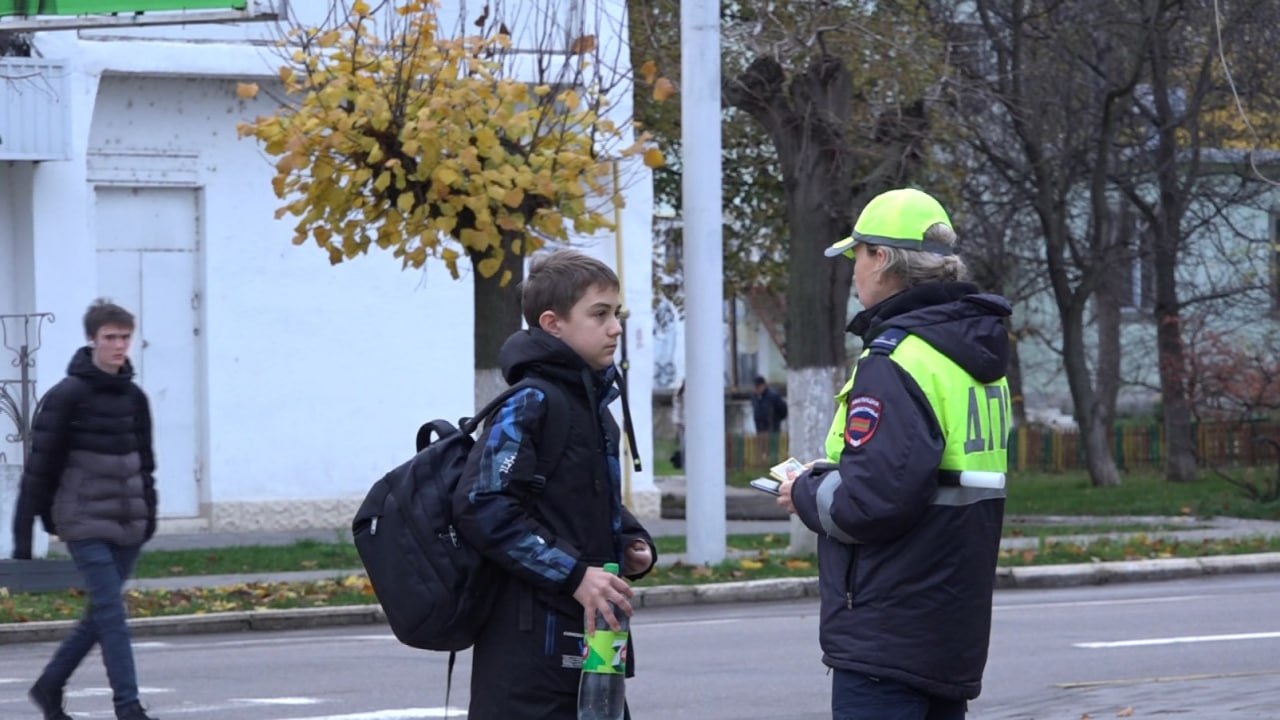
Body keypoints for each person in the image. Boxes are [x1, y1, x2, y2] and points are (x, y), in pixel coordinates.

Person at [777, 188, 1011, 720]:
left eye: (858, 254)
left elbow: (871, 501)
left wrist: (806, 490)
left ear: (881, 259)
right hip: (951, 622)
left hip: (888, 628)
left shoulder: (897, 357)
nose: (854, 270)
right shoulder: (973, 357)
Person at [454, 249, 657, 720]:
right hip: (528, 658)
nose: (616, 328)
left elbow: (580, 499)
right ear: (553, 323)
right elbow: (482, 505)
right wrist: (574, 575)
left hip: (593, 644)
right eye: (600, 314)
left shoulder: (591, 404)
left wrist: (630, 540)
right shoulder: (531, 403)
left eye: (617, 314)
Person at [12, 299, 160, 720]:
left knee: (99, 615)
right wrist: (25, 535)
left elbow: (146, 464)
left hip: (129, 524)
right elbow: (40, 467)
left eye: (125, 337)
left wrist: (148, 515)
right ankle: (128, 706)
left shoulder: (135, 398)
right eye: (110, 337)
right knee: (112, 613)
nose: (119, 345)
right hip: (82, 521)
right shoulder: (67, 395)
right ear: (92, 339)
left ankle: (48, 686)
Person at [751, 375, 787, 465]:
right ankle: (763, 466)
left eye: (758, 387)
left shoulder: (773, 396)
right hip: (760, 429)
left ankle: (772, 465)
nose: (757, 389)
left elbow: (783, 410)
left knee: (772, 451)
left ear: (763, 385)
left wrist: (775, 420)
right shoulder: (755, 397)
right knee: (761, 451)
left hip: (772, 428)